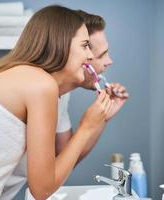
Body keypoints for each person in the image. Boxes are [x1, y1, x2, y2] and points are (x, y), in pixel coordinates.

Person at [0, 5, 115, 200]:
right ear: (61, 43)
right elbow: (42, 190)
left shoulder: (6, 76)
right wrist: (85, 128)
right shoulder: (42, 85)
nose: (90, 56)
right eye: (84, 46)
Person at [55, 10, 129, 164]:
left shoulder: (62, 96)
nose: (110, 61)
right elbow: (45, 182)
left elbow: (65, 158)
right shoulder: (41, 92)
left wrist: (102, 117)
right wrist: (86, 126)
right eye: (102, 55)